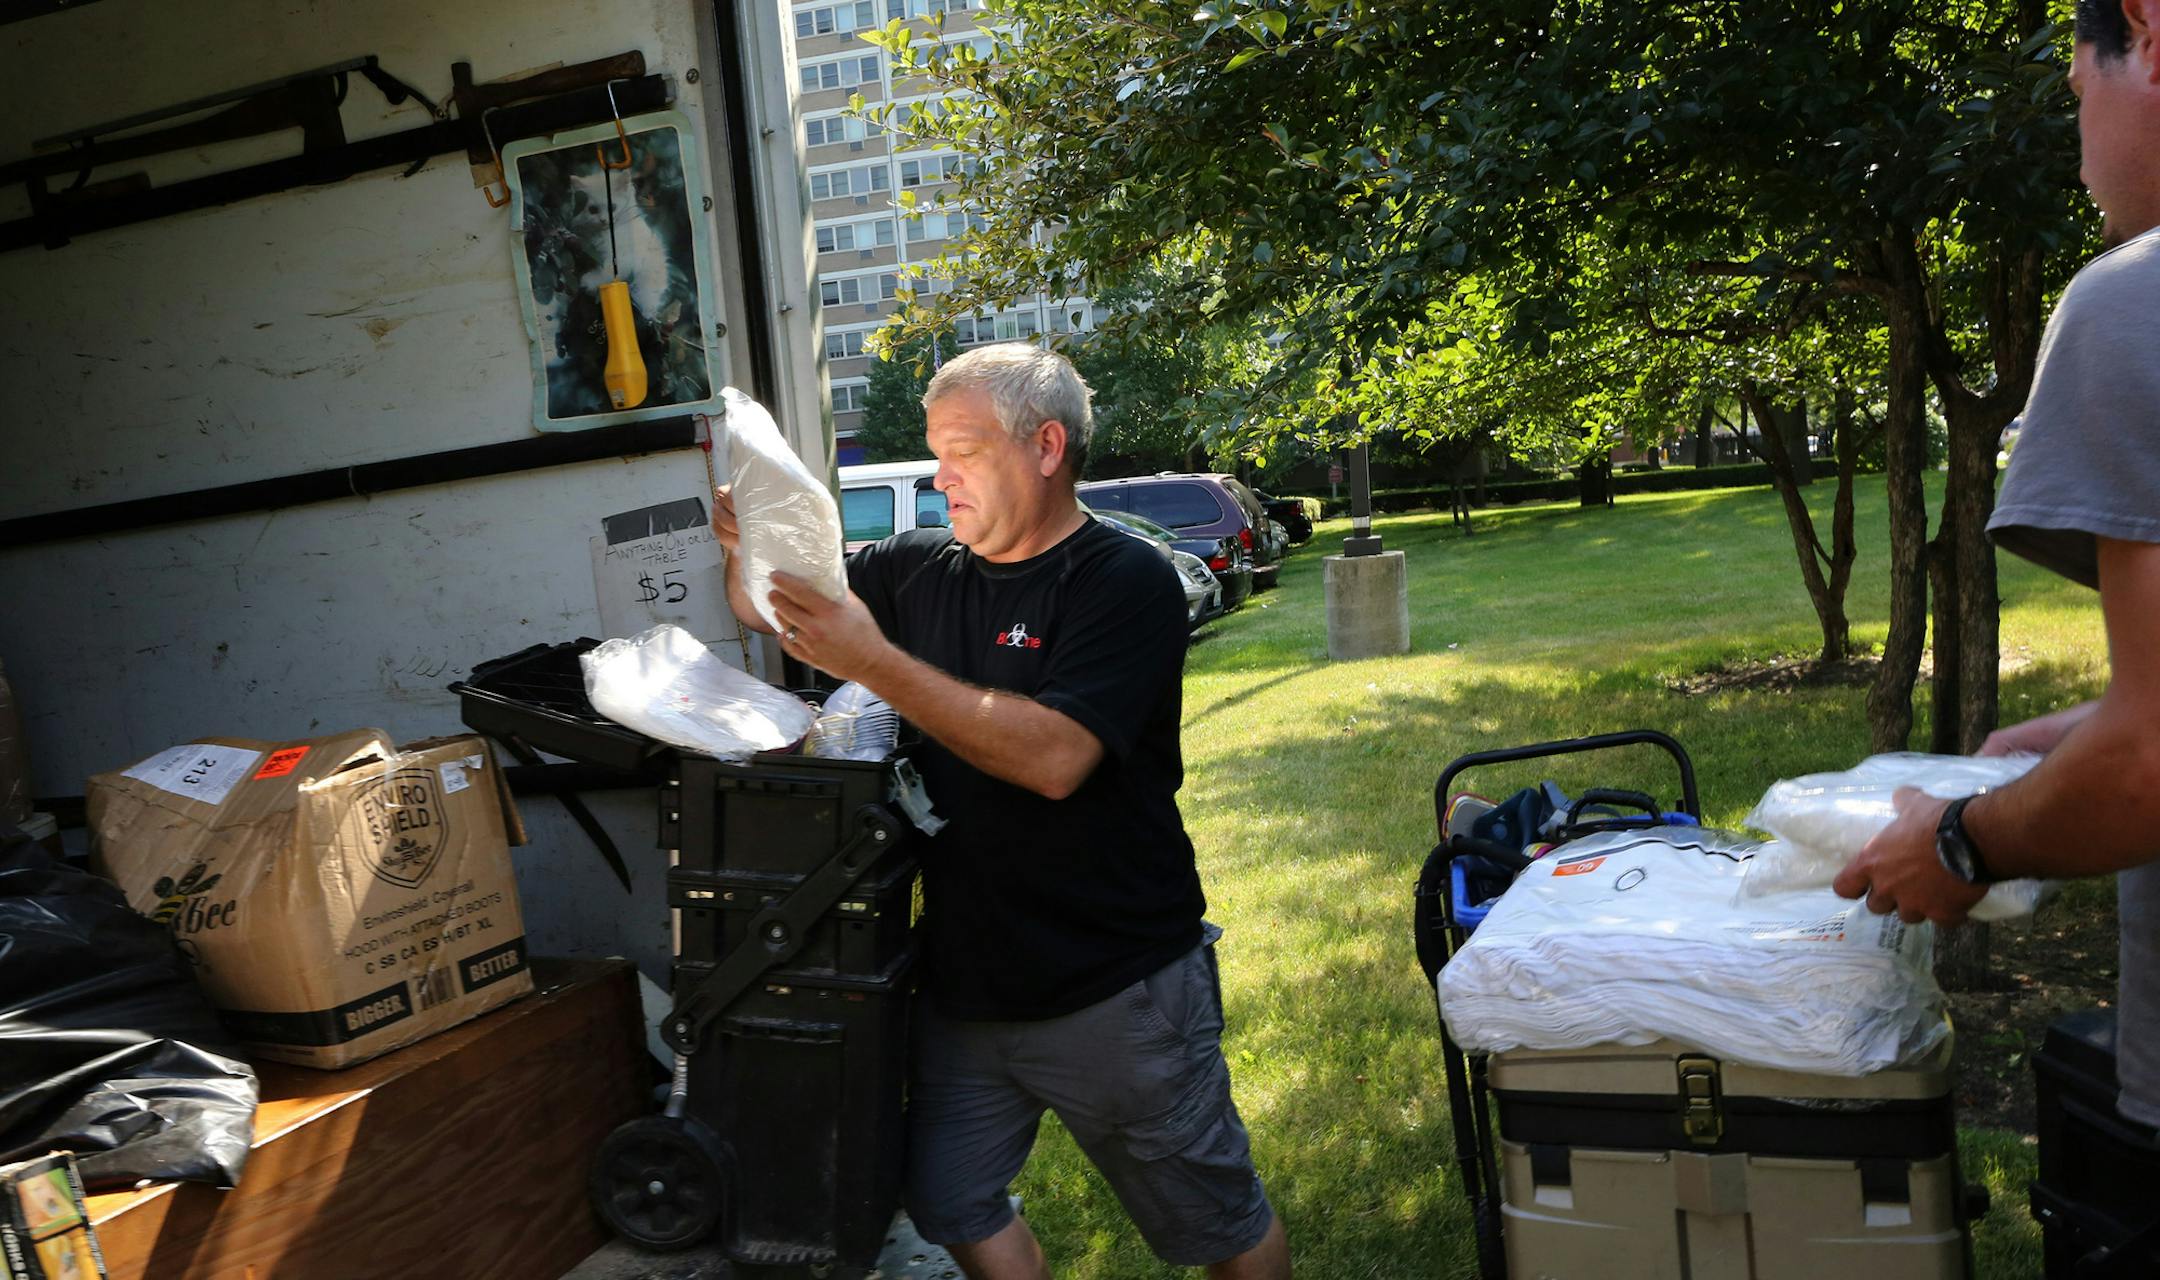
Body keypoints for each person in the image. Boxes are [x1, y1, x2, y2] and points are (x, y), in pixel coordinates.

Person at [710, 343, 1290, 1280]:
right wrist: (752, 548)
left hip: (1117, 983)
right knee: (950, 1199)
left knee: (1214, 1226)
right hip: (970, 982)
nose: (941, 476)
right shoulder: (915, 567)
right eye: (937, 452)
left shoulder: (1120, 580)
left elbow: (1056, 758)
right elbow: (784, 615)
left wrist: (876, 662)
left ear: (1047, 446)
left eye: (964, 450)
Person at [1832, 0, 2160, 1132]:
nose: (2082, 156)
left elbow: (2157, 760)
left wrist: (1964, 841)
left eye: (2078, 94)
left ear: (2148, 30)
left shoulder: (2134, 302)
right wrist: (2079, 729)